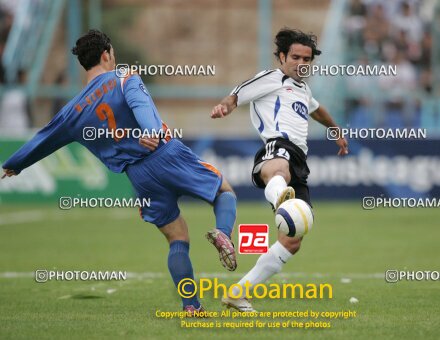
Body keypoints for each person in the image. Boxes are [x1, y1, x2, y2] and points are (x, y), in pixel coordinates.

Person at [1, 29, 237, 314]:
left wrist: (14, 164)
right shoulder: (125, 77)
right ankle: (223, 233)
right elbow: (142, 108)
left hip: (138, 176)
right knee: (224, 192)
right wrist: (150, 131)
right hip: (164, 154)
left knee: (177, 238)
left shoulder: (73, 110)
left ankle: (191, 306)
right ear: (106, 54)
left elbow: (44, 139)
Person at [211, 28, 348, 311]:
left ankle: (238, 292)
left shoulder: (304, 90)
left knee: (292, 241)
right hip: (278, 145)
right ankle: (280, 198)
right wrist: (225, 107)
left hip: (301, 163)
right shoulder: (273, 78)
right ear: (282, 57)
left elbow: (317, 109)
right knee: (278, 170)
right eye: (295, 56)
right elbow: (237, 93)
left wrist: (334, 129)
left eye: (307, 59)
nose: (302, 63)